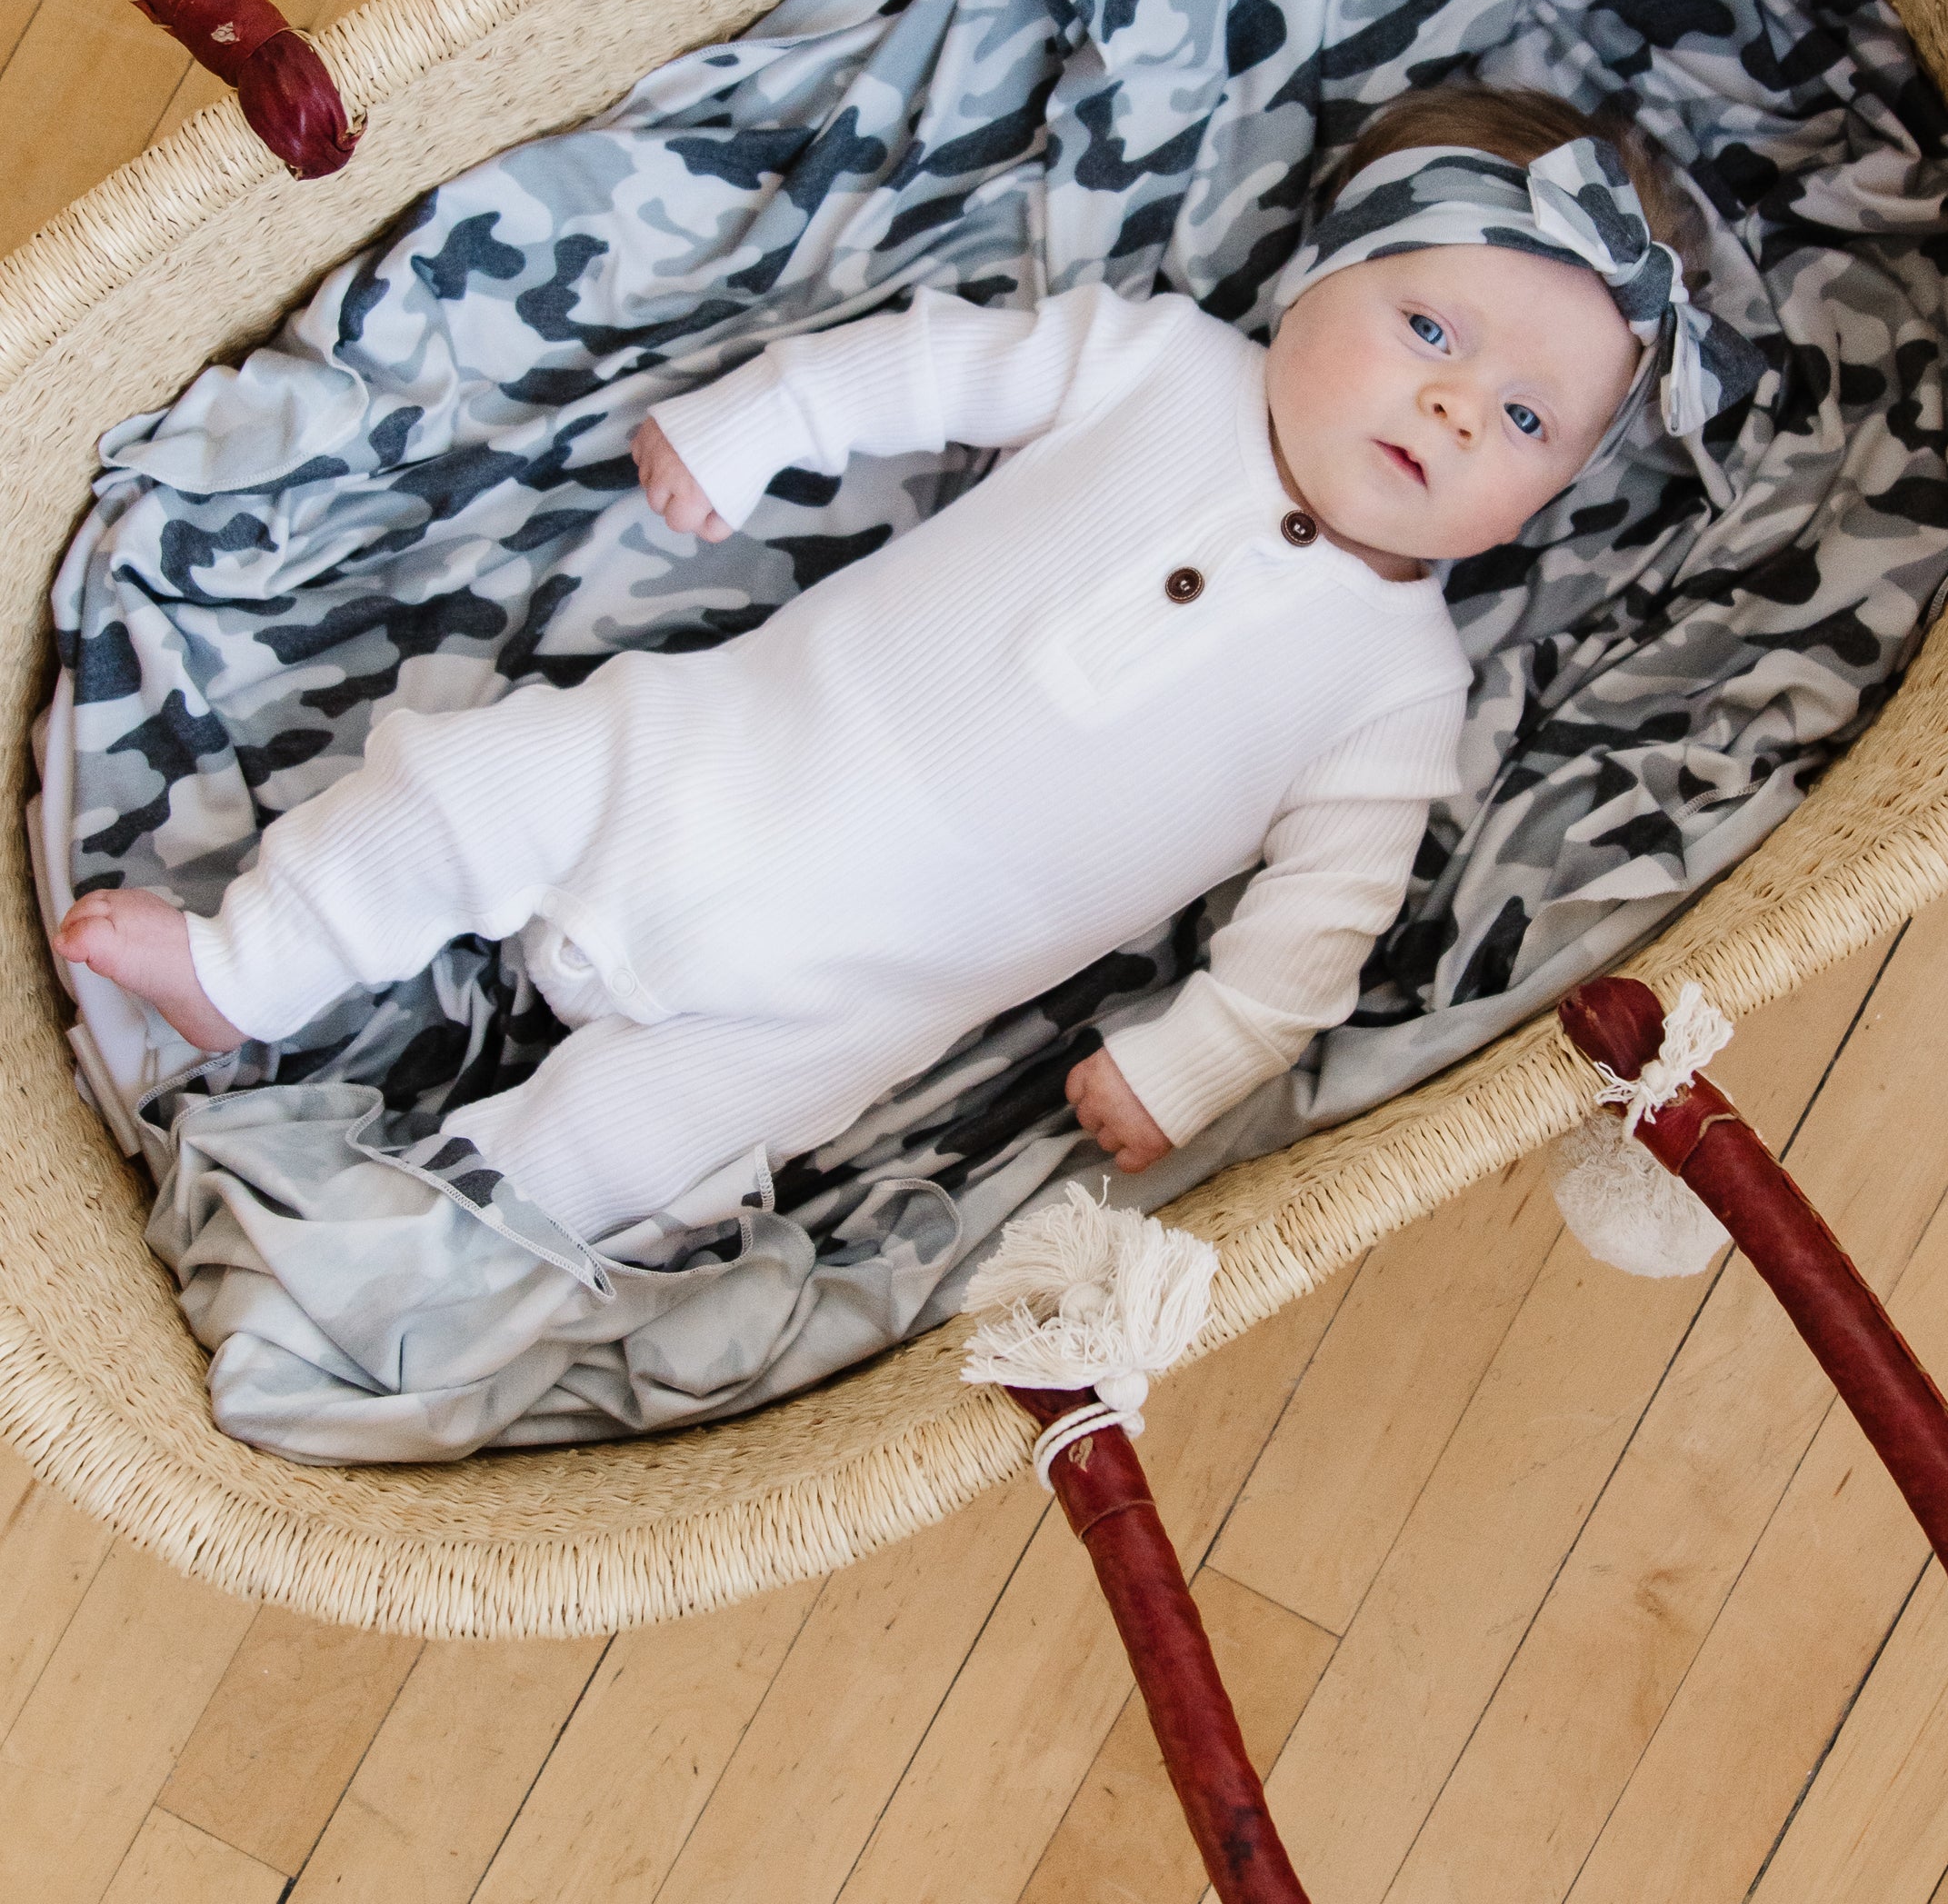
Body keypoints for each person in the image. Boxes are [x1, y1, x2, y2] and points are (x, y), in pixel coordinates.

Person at [54, 88, 1754, 1245]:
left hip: (847, 1002)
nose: (1453, 405)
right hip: (700, 759)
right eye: (1429, 331)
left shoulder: (1398, 691)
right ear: (1320, 285)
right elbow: (939, 369)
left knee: (632, 1158)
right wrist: (758, 427)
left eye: (1524, 420)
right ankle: (253, 963)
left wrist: (1197, 1059)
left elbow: (1325, 920)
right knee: (460, 786)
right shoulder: (1158, 367)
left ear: (1549, 498)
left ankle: (405, 1242)